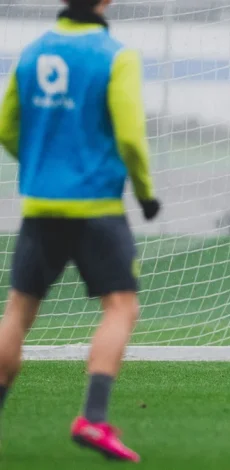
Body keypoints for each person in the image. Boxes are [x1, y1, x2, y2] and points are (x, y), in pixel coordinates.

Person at [0, 0, 160, 461]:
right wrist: (145, 193)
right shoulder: (116, 54)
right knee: (121, 307)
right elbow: (130, 135)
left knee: (18, 313)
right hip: (96, 208)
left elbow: (8, 127)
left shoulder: (31, 53)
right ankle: (92, 419)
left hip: (40, 207)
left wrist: (41, 167)